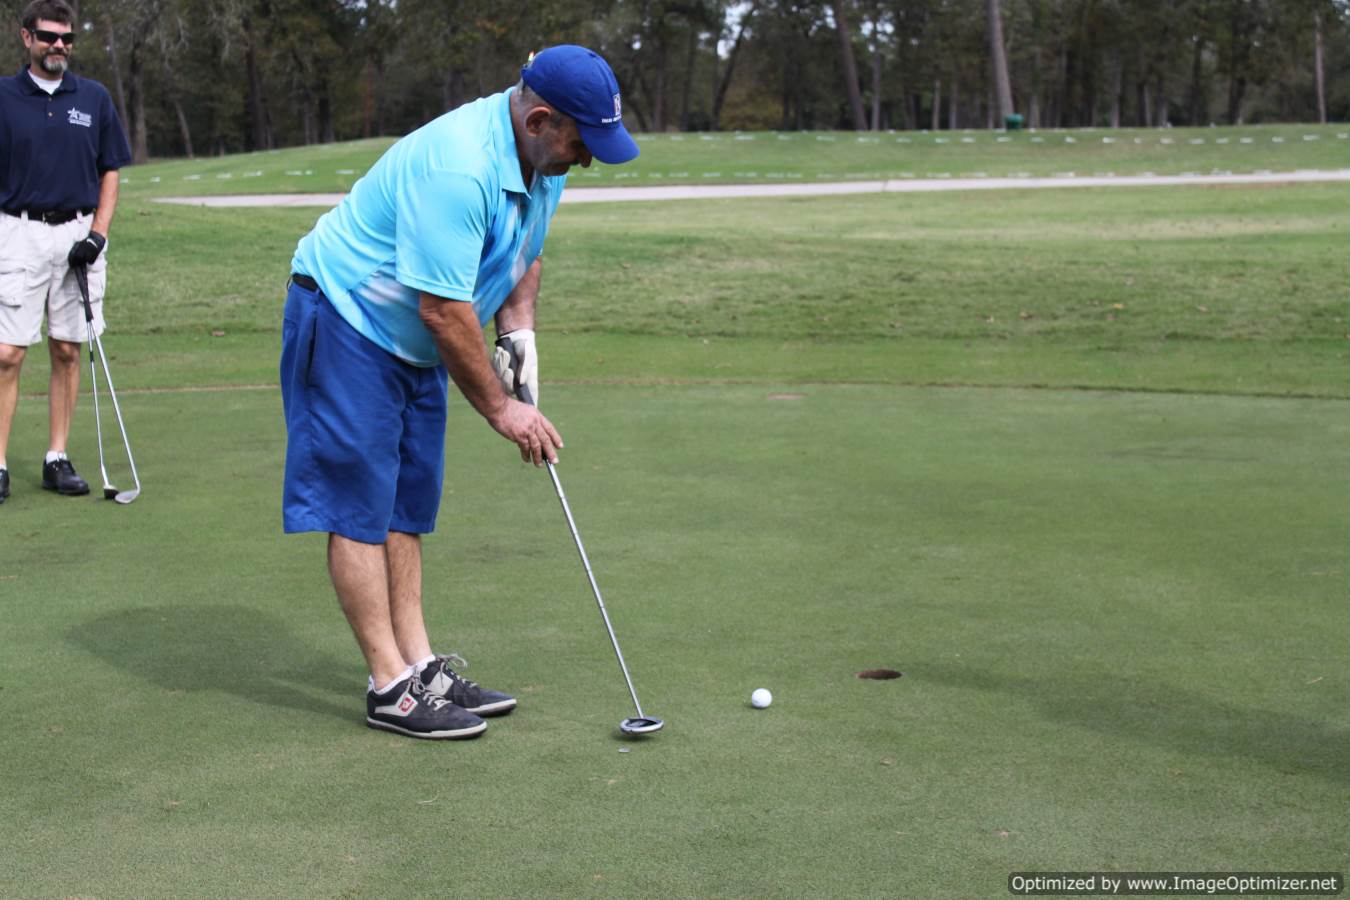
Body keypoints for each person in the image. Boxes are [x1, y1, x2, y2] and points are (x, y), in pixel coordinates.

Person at [282, 45, 640, 739]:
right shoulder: (460, 167)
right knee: (359, 502)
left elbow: (523, 252)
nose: (587, 159)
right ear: (539, 120)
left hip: (414, 338)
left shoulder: (544, 159)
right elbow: (443, 312)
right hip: (349, 316)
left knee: (407, 501)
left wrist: (519, 336)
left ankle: (420, 664)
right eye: (581, 143)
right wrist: (503, 409)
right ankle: (389, 684)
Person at [0, 0, 132, 505]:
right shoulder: (5, 96)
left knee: (67, 348)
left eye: (67, 39)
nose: (59, 46)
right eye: (49, 36)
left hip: (79, 234)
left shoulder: (93, 98)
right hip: (18, 233)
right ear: (26, 38)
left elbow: (110, 171)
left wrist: (98, 235)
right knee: (8, 354)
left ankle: (57, 458)